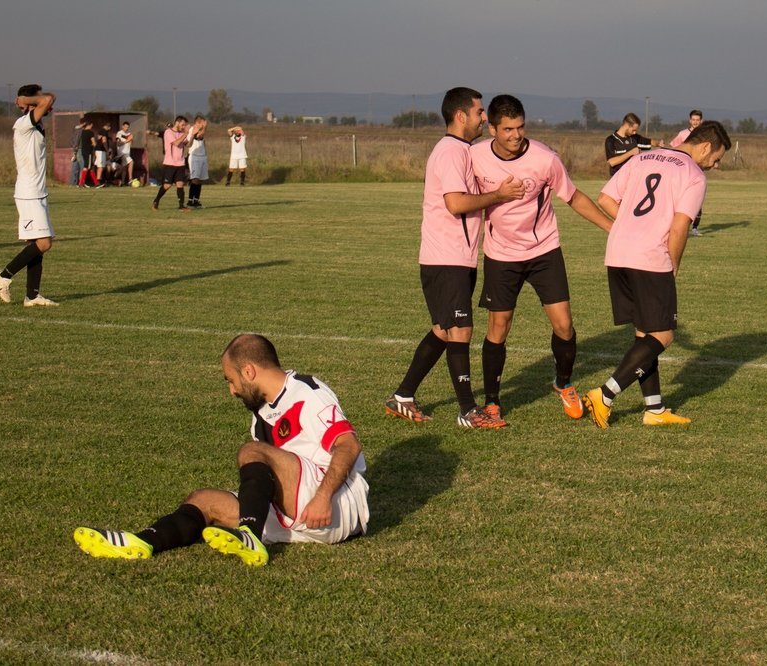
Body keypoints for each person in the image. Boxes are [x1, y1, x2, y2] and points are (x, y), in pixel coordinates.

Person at [73, 334, 370, 567]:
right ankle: (141, 541)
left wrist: (322, 498)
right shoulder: (260, 417)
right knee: (203, 500)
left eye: (231, 379)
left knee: (252, 452)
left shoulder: (306, 392)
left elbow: (348, 444)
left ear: (249, 371)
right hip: (297, 513)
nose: (231, 390)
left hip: (336, 503)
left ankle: (249, 536)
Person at [383, 87, 523, 429]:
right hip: (445, 257)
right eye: (478, 112)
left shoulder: (462, 150)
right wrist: (499, 195)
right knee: (460, 329)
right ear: (461, 116)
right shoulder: (449, 152)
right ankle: (468, 411)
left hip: (458, 257)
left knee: (444, 331)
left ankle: (402, 397)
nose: (483, 117)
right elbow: (455, 203)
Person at [470, 94, 614, 425]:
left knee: (564, 325)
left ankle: (563, 383)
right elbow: (461, 196)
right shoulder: (474, 157)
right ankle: (492, 401)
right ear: (492, 128)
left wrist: (612, 228)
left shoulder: (544, 158)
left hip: (544, 250)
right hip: (500, 254)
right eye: (507, 129)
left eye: (520, 127)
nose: (515, 135)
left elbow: (574, 197)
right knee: (498, 326)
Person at [583, 120, 731, 428]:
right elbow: (679, 227)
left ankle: (654, 409)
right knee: (663, 334)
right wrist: (673, 265)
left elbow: (605, 199)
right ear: (704, 146)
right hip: (650, 257)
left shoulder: (642, 157)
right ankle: (605, 394)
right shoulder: (692, 174)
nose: (714, 166)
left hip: (618, 252)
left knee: (645, 333)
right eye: (716, 158)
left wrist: (631, 225)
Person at [0, 84, 59, 307]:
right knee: (44, 243)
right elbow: (48, 99)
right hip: (29, 193)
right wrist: (28, 100)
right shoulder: (24, 123)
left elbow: (51, 98)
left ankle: (32, 295)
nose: (47, 104)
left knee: (37, 244)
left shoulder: (35, 122)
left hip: (39, 192)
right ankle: (4, 275)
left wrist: (30, 100)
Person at [670, 110, 706, 236]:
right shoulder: (683, 134)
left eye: (698, 120)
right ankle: (675, 225)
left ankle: (694, 228)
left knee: (697, 199)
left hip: (697, 171)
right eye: (693, 120)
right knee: (679, 198)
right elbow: (673, 147)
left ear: (701, 121)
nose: (695, 122)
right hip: (683, 171)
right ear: (690, 120)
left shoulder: (705, 134)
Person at [152, 116, 190, 211]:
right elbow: (176, 143)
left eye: (185, 125)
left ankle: (181, 206)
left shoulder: (181, 133)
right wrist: (186, 133)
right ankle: (156, 201)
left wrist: (192, 134)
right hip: (170, 164)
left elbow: (188, 144)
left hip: (180, 163)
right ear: (177, 122)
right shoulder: (168, 132)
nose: (183, 127)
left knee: (180, 184)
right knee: (167, 185)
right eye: (182, 124)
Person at [187, 115, 208, 207]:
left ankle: (196, 200)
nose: (203, 125)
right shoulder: (193, 130)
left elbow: (203, 142)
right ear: (198, 123)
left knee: (200, 180)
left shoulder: (201, 130)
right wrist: (205, 127)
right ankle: (190, 200)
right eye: (202, 123)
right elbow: (199, 136)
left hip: (202, 157)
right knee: (195, 179)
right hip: (195, 157)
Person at [77, 118, 97, 188]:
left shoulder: (82, 132)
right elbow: (94, 143)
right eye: (92, 125)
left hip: (83, 151)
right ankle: (81, 183)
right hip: (89, 152)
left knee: (91, 167)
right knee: (86, 167)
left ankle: (96, 183)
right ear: (90, 125)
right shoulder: (90, 132)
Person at [114, 121, 134, 185]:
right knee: (131, 162)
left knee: (124, 168)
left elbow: (131, 142)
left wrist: (131, 140)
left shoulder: (129, 134)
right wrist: (127, 140)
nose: (126, 128)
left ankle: (122, 181)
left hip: (127, 153)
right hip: (122, 153)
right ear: (122, 126)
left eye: (127, 127)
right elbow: (118, 144)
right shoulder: (119, 133)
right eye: (125, 127)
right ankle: (130, 179)